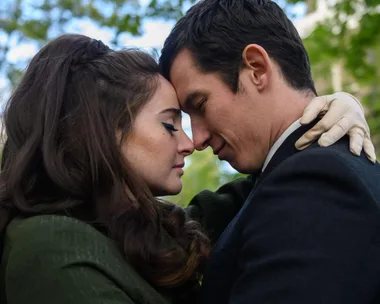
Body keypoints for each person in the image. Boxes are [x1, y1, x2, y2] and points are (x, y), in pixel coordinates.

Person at [0, 34, 374, 304]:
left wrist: (331, 110)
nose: (190, 142)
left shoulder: (149, 232)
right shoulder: (51, 245)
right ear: (100, 131)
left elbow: (276, 182)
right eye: (170, 124)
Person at [159, 0, 380, 303]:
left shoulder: (313, 183)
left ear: (257, 69)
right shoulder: (288, 178)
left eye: (200, 105)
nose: (197, 139)